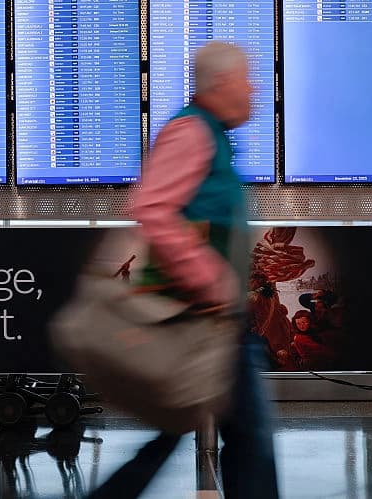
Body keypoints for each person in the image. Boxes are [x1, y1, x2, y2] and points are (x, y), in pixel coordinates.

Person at [89, 41, 280, 499]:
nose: (255, 89)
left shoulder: (212, 134)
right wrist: (209, 276)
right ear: (223, 84)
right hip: (198, 316)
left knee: (213, 437)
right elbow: (153, 208)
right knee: (246, 441)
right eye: (248, 79)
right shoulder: (192, 132)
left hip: (213, 319)